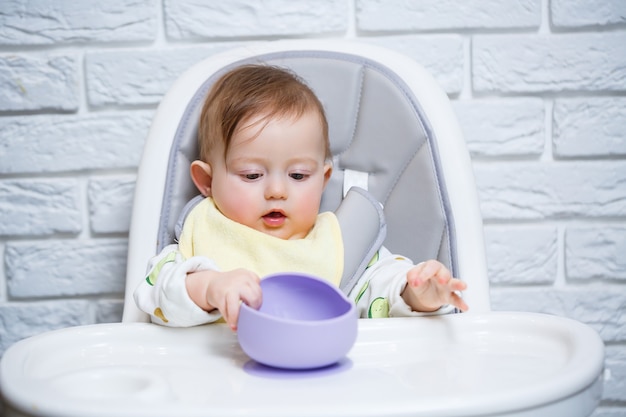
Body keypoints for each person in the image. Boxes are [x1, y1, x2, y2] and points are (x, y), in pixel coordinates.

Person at [134, 64, 468, 330]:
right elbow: (156, 293)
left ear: (322, 181)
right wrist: (209, 288)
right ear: (206, 181)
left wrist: (419, 293)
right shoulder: (199, 243)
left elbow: (380, 291)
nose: (277, 191)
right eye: (252, 175)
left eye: (298, 176)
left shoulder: (340, 247)